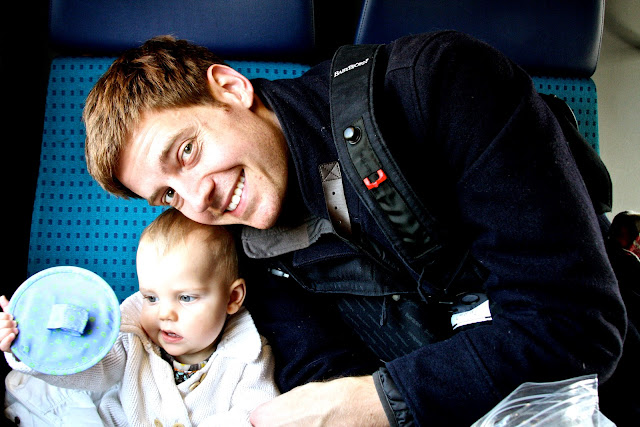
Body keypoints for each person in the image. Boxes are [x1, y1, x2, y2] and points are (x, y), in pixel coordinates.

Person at [81, 32, 627, 425]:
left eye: (187, 151)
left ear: (229, 87)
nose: (198, 198)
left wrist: (381, 401)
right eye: (169, 195)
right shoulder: (247, 247)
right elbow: (323, 372)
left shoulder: (438, 83)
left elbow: (576, 328)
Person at [1, 208, 279, 426]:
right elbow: (85, 369)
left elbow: (256, 414)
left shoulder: (249, 355)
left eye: (186, 298)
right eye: (151, 298)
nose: (164, 314)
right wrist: (27, 345)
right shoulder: (131, 339)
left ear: (232, 298)